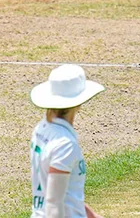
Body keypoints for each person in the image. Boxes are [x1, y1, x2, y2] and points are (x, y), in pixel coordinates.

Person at [30, 64, 105, 218]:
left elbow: (63, 192)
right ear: (78, 104)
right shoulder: (65, 144)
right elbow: (53, 202)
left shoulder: (42, 129)